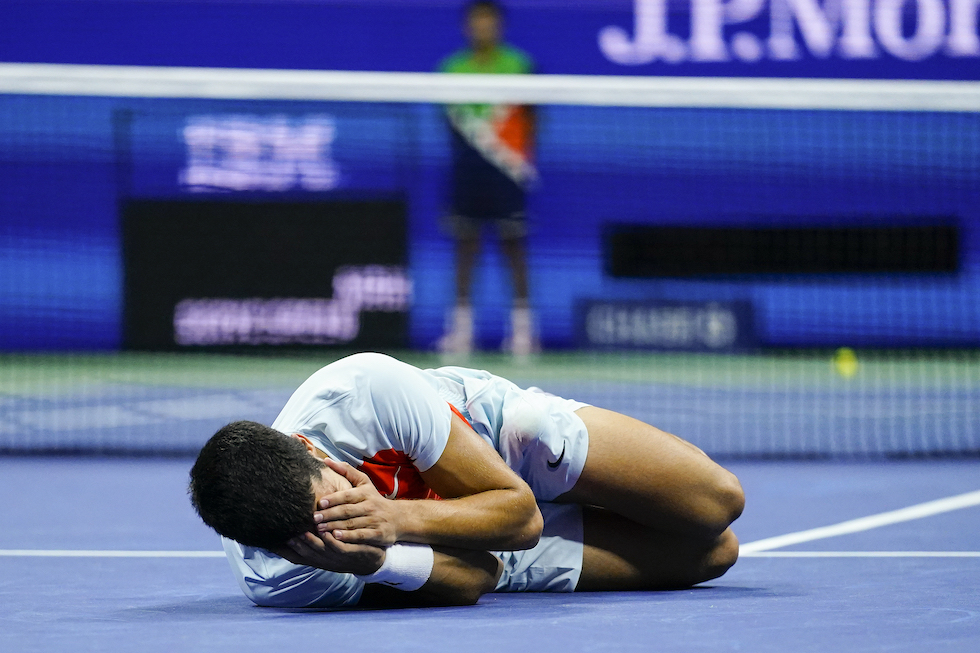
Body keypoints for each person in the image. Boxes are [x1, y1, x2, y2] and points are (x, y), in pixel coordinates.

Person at [190, 352, 744, 608]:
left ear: (306, 449)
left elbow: (521, 517)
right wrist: (378, 560)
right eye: (316, 533)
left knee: (717, 504)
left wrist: (393, 517)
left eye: (332, 503)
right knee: (716, 553)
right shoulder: (286, 578)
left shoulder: (361, 391)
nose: (338, 524)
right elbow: (482, 573)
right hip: (454, 541)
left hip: (495, 445)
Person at [437, 0, 538, 357]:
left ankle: (523, 333)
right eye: (477, 22)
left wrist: (517, 163)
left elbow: (532, 119)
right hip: (468, 170)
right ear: (468, 27)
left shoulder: (519, 66)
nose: (483, 28)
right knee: (465, 248)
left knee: (514, 248)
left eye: (489, 21)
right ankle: (461, 332)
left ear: (499, 26)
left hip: (507, 170)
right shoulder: (452, 68)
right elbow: (449, 124)